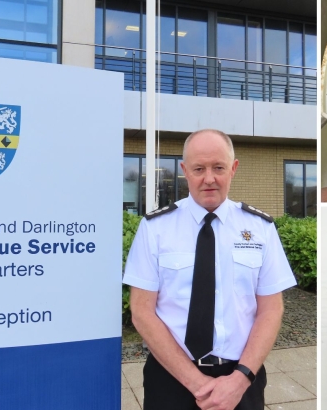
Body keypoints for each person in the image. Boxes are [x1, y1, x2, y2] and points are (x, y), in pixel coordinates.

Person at [123, 129, 296, 410]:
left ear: (234, 168)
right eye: (199, 169)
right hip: (171, 378)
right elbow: (142, 311)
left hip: (242, 377)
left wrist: (239, 380)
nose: (209, 179)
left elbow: (271, 309)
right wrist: (198, 384)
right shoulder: (155, 228)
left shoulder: (260, 228)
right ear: (184, 171)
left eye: (218, 167)